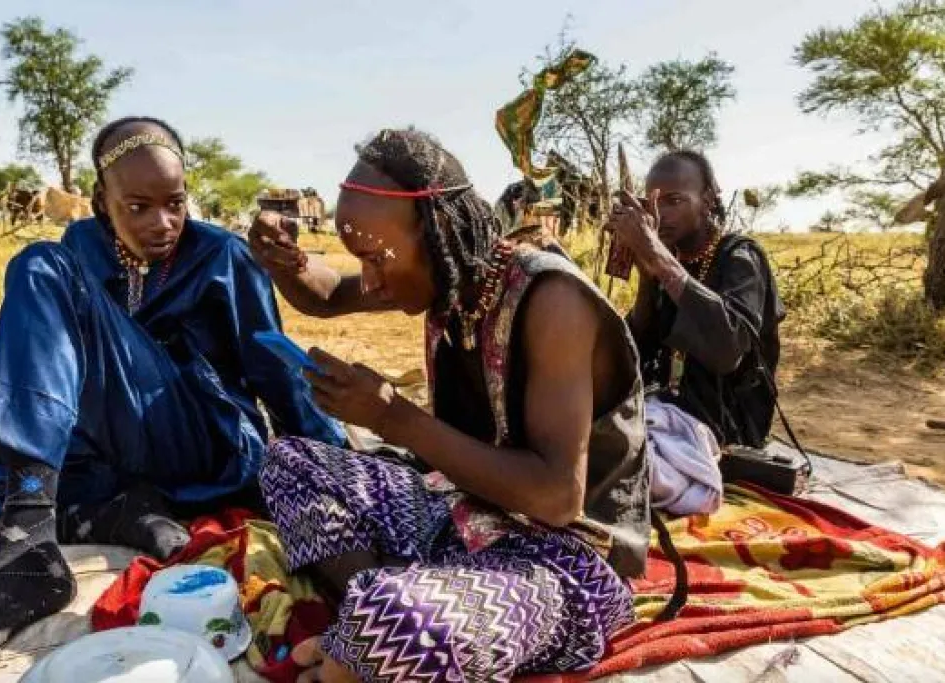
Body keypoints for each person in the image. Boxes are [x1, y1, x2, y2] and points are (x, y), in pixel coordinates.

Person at [0, 117, 344, 676]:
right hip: (97, 459)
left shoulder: (221, 256)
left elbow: (274, 370)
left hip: (196, 445)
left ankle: (25, 550)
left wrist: (335, 459)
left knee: (36, 263)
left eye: (175, 203)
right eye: (138, 206)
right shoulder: (80, 249)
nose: (162, 223)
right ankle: (84, 517)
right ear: (100, 200)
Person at [249, 128, 647, 682]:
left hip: (560, 563)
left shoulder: (553, 301)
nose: (370, 280)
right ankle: (391, 611)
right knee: (288, 461)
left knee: (398, 621)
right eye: (360, 260)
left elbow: (558, 499)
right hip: (460, 515)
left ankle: (387, 618)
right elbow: (322, 294)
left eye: (377, 258)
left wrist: (392, 418)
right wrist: (284, 262)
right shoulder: (445, 277)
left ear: (437, 234)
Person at [612, 151, 786, 514]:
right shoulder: (671, 259)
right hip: (669, 406)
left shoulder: (740, 257)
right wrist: (648, 275)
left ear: (707, 201)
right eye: (654, 204)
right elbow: (637, 352)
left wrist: (659, 258)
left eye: (675, 201)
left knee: (620, 459)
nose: (662, 215)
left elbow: (727, 350)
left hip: (728, 420)